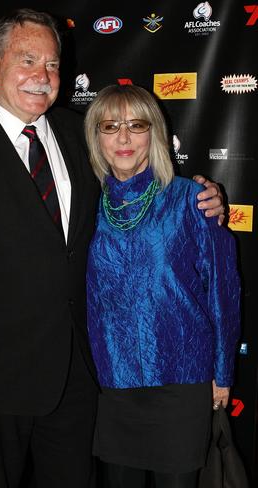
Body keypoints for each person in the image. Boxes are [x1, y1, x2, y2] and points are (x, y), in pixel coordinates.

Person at [0, 8, 224, 488]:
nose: (42, 76)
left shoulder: (81, 135)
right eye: (27, 60)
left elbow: (137, 192)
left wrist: (205, 195)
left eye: (53, 64)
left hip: (82, 377)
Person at [84, 84, 241, 488]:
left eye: (136, 125)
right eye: (110, 126)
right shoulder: (86, 206)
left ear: (153, 133)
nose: (122, 138)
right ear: (95, 135)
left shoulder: (192, 199)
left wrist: (222, 374)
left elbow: (223, 293)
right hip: (113, 385)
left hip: (181, 383)